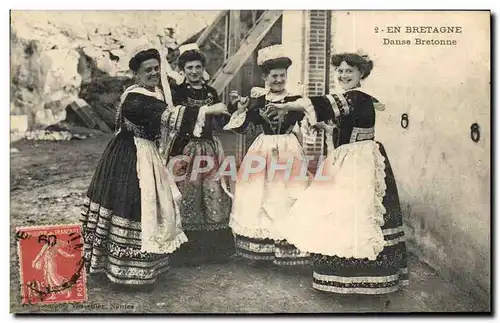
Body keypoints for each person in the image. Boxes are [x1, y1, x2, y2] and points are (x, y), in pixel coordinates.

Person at [269, 51, 409, 294]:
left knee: (357, 213)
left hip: (360, 161)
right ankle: (342, 276)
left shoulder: (355, 97)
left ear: (361, 74)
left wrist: (285, 107)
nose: (344, 75)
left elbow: (317, 103)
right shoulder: (351, 99)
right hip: (348, 157)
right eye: (340, 71)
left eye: (349, 71)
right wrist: (321, 124)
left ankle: (360, 277)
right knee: (339, 211)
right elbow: (336, 123)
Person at [80, 44, 187, 287]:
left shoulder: (155, 92)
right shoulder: (135, 97)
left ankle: (145, 266)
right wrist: (205, 112)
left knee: (148, 204)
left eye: (156, 68)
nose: (153, 73)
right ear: (136, 74)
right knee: (133, 202)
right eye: (147, 70)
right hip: (130, 154)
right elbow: (167, 116)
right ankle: (123, 270)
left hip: (146, 152)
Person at [223, 44, 316, 267]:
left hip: (288, 149)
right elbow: (242, 128)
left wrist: (308, 126)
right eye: (274, 76)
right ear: (265, 77)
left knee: (287, 194)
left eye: (282, 76)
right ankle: (261, 250)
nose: (278, 80)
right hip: (263, 150)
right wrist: (242, 110)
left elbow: (307, 125)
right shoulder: (259, 100)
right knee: (260, 195)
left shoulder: (295, 99)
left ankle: (287, 249)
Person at [159, 43, 234, 265]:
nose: (194, 71)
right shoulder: (178, 94)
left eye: (198, 67)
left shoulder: (211, 92)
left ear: (203, 69)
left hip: (209, 148)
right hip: (186, 148)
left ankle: (214, 250)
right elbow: (178, 120)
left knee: (213, 194)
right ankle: (187, 252)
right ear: (183, 70)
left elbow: (221, 121)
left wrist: (232, 108)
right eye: (189, 67)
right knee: (188, 195)